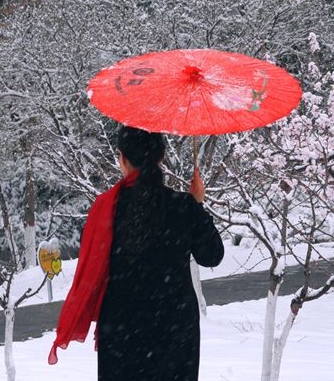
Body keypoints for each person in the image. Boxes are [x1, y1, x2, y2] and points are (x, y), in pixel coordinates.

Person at [48, 125, 224, 381]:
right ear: (162, 157)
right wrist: (197, 205)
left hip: (122, 327)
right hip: (175, 327)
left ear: (121, 158)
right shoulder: (182, 206)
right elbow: (212, 255)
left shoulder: (107, 208)